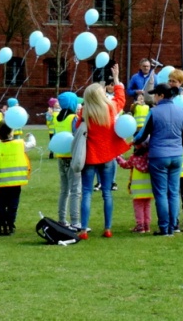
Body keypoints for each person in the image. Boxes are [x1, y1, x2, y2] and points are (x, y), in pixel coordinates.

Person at [78, 64, 129, 240]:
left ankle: (83, 229)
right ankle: (107, 228)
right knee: (107, 193)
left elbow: (77, 130)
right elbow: (121, 99)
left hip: (90, 157)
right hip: (107, 156)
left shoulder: (84, 112)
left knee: (86, 192)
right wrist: (116, 80)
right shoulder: (110, 108)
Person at [134, 84, 183, 236]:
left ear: (160, 95)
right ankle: (173, 226)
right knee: (173, 192)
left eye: (155, 95)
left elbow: (142, 134)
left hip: (159, 155)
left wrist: (133, 141)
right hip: (177, 155)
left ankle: (164, 228)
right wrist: (181, 149)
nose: (153, 97)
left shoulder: (154, 112)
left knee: (160, 193)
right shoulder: (182, 112)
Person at [0, 122, 34, 235]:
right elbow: (32, 144)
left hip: (2, 182)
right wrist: (30, 136)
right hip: (16, 181)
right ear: (11, 132)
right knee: (13, 204)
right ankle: (10, 224)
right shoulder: (19, 144)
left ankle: (2, 224)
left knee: (1, 204)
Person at [52, 92, 82, 229]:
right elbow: (77, 135)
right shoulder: (73, 118)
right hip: (72, 157)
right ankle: (75, 221)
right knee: (75, 190)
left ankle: (62, 219)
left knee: (64, 190)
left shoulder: (56, 118)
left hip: (60, 157)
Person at [116, 143, 153, 233]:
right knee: (147, 206)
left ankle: (140, 226)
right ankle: (147, 226)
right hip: (149, 187)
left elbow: (125, 165)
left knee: (138, 206)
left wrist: (118, 157)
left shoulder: (134, 158)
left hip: (137, 188)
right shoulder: (150, 157)